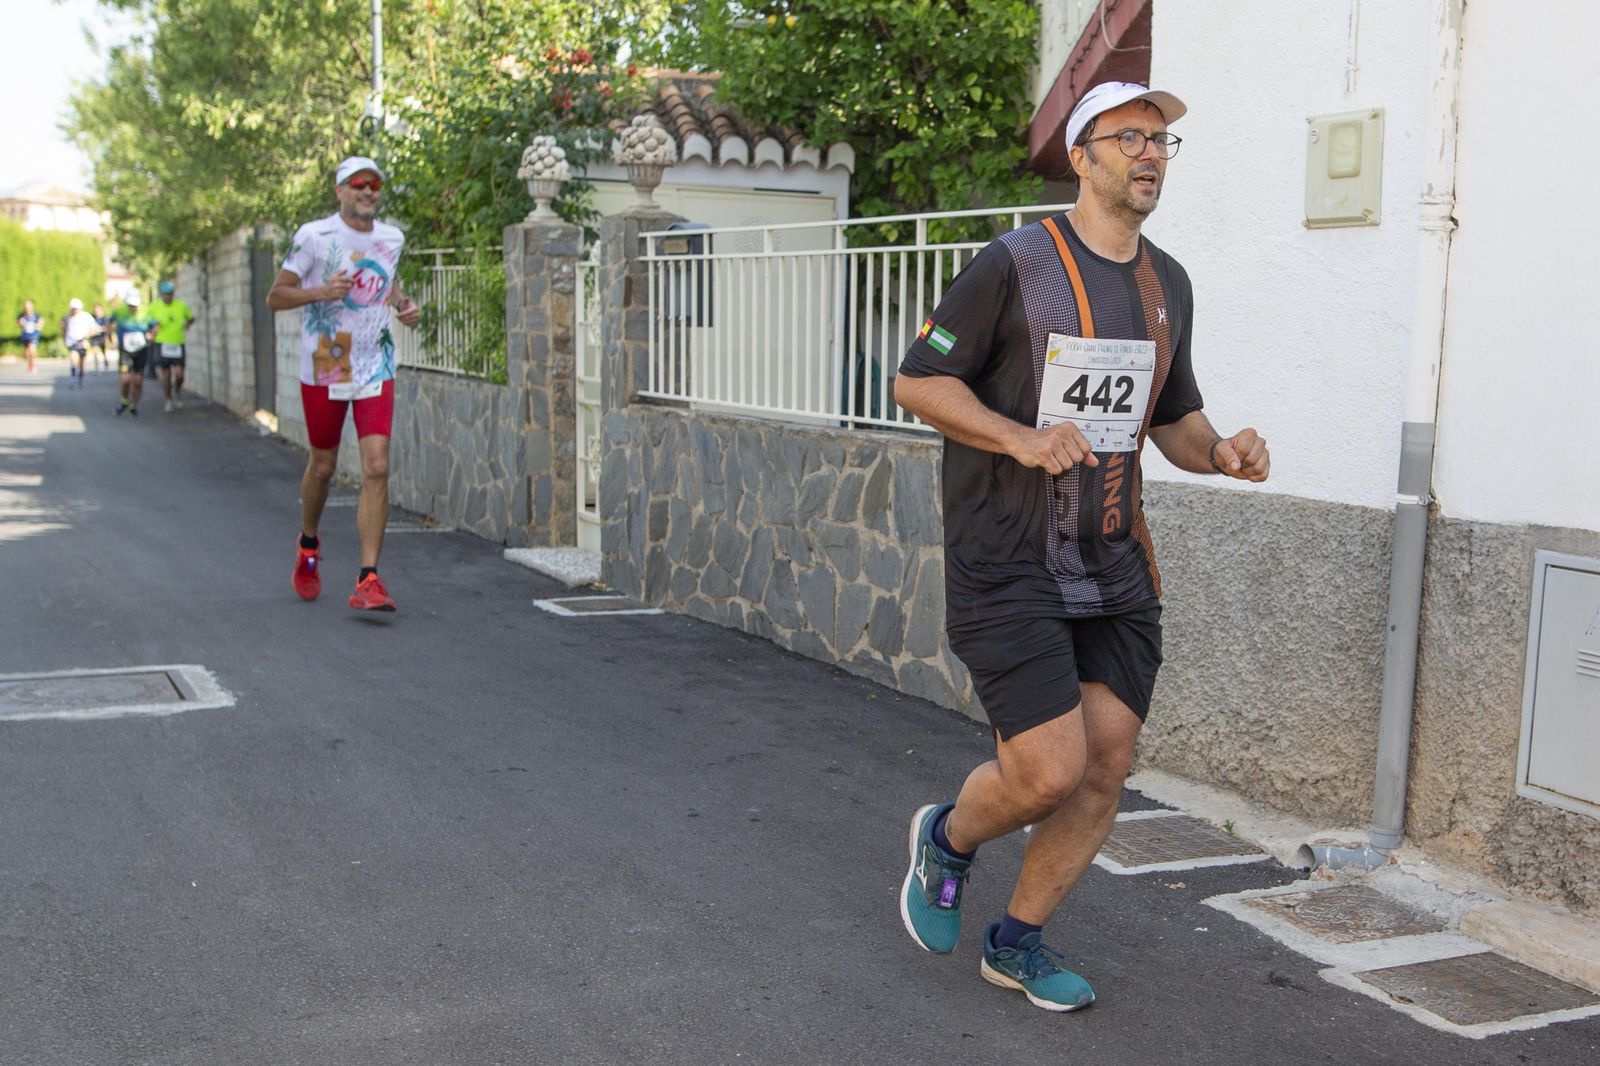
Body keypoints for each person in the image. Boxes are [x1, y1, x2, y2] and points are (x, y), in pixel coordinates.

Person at [892, 82, 1271, 1012]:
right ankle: (947, 839)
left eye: (1162, 141)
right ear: (1083, 155)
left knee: (1104, 764)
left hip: (1114, 560)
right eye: (1129, 137)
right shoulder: (1015, 264)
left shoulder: (1165, 283)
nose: (1149, 154)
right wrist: (1019, 437)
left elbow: (1172, 415)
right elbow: (919, 380)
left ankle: (1015, 943)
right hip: (1009, 554)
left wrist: (1218, 453)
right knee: (1046, 770)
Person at [266, 156, 420, 611]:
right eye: (358, 184)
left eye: (374, 184)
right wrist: (320, 292)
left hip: (376, 360)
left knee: (376, 467)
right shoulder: (315, 236)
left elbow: (387, 284)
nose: (368, 191)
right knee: (323, 467)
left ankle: (368, 577)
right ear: (339, 191)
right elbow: (276, 295)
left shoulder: (392, 237)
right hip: (330, 357)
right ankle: (308, 544)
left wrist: (405, 305)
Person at [147, 280, 195, 412]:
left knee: (180, 374)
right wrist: (152, 329)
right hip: (162, 343)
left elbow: (190, 317)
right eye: (165, 294)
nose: (167, 296)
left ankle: (177, 392)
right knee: (166, 375)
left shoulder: (180, 306)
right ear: (161, 294)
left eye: (170, 294)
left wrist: (188, 324)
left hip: (177, 343)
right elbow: (147, 321)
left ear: (173, 294)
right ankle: (168, 399)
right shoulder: (155, 306)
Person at [114, 291, 156, 416]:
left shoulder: (146, 312)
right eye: (130, 306)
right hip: (125, 350)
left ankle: (134, 405)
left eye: (135, 306)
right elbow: (109, 321)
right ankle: (124, 400)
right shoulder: (119, 312)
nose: (133, 308)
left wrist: (151, 335)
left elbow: (155, 326)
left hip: (141, 350)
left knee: (137, 381)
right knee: (125, 380)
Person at [61, 298, 101, 388]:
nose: (74, 310)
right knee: (73, 358)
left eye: (76, 308)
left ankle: (80, 377)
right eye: (73, 309)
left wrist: (87, 335)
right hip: (72, 342)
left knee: (81, 363)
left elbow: (96, 329)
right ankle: (73, 377)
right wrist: (64, 338)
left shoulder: (86, 316)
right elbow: (64, 329)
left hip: (83, 343)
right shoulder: (67, 317)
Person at [17, 300, 42, 374]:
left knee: (32, 349)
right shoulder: (22, 316)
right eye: (26, 307)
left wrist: (38, 326)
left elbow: (41, 322)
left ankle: (33, 365)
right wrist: (21, 323)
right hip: (25, 335)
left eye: (29, 307)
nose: (28, 309)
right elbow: (19, 323)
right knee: (26, 353)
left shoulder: (36, 315)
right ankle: (29, 364)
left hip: (33, 335)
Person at [91, 303, 113, 372]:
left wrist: (103, 329)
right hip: (95, 337)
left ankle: (105, 359)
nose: (97, 311)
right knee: (95, 351)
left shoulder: (105, 319)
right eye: (95, 309)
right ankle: (97, 367)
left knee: (104, 351)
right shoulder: (92, 318)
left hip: (102, 337)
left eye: (98, 309)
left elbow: (108, 328)